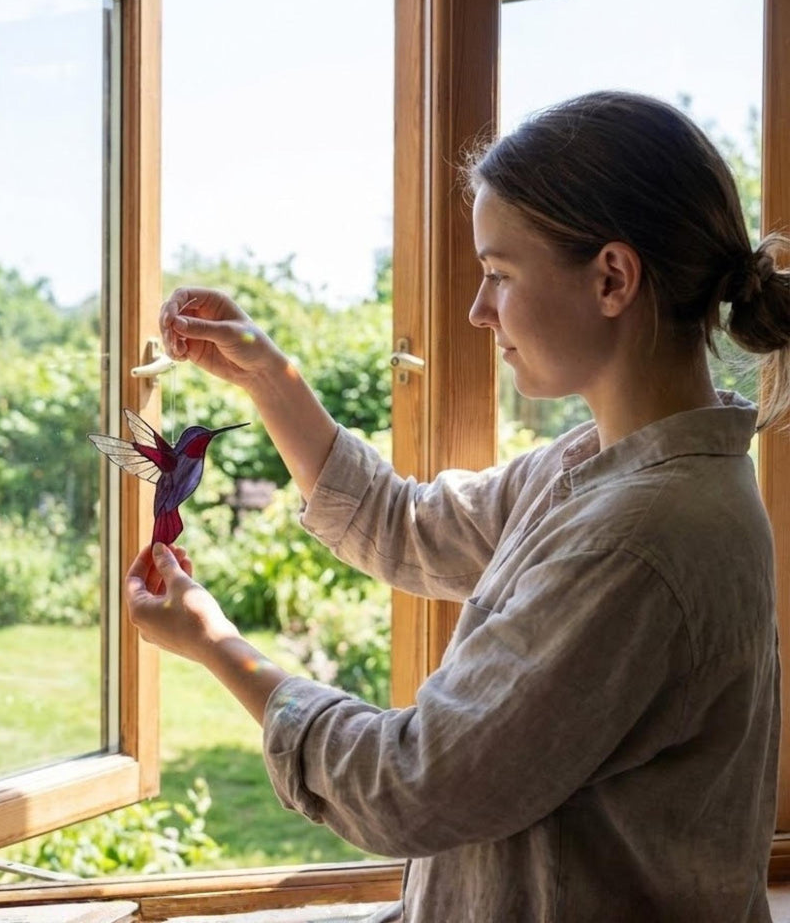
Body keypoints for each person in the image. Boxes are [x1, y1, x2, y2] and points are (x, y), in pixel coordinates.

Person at [123, 91, 790, 921]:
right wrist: (268, 378)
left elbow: (411, 785)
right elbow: (404, 527)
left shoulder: (641, 539)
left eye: (499, 275)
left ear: (612, 278)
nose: (478, 310)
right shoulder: (598, 470)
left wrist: (216, 644)